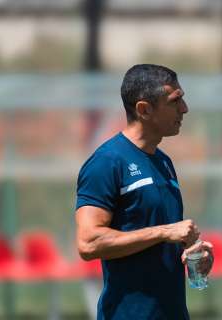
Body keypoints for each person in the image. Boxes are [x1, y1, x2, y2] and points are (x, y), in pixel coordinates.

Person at [75, 64, 213, 319]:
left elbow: (161, 241)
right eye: (175, 101)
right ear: (144, 109)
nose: (185, 109)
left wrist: (194, 253)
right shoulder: (107, 162)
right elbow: (88, 242)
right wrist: (163, 232)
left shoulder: (164, 162)